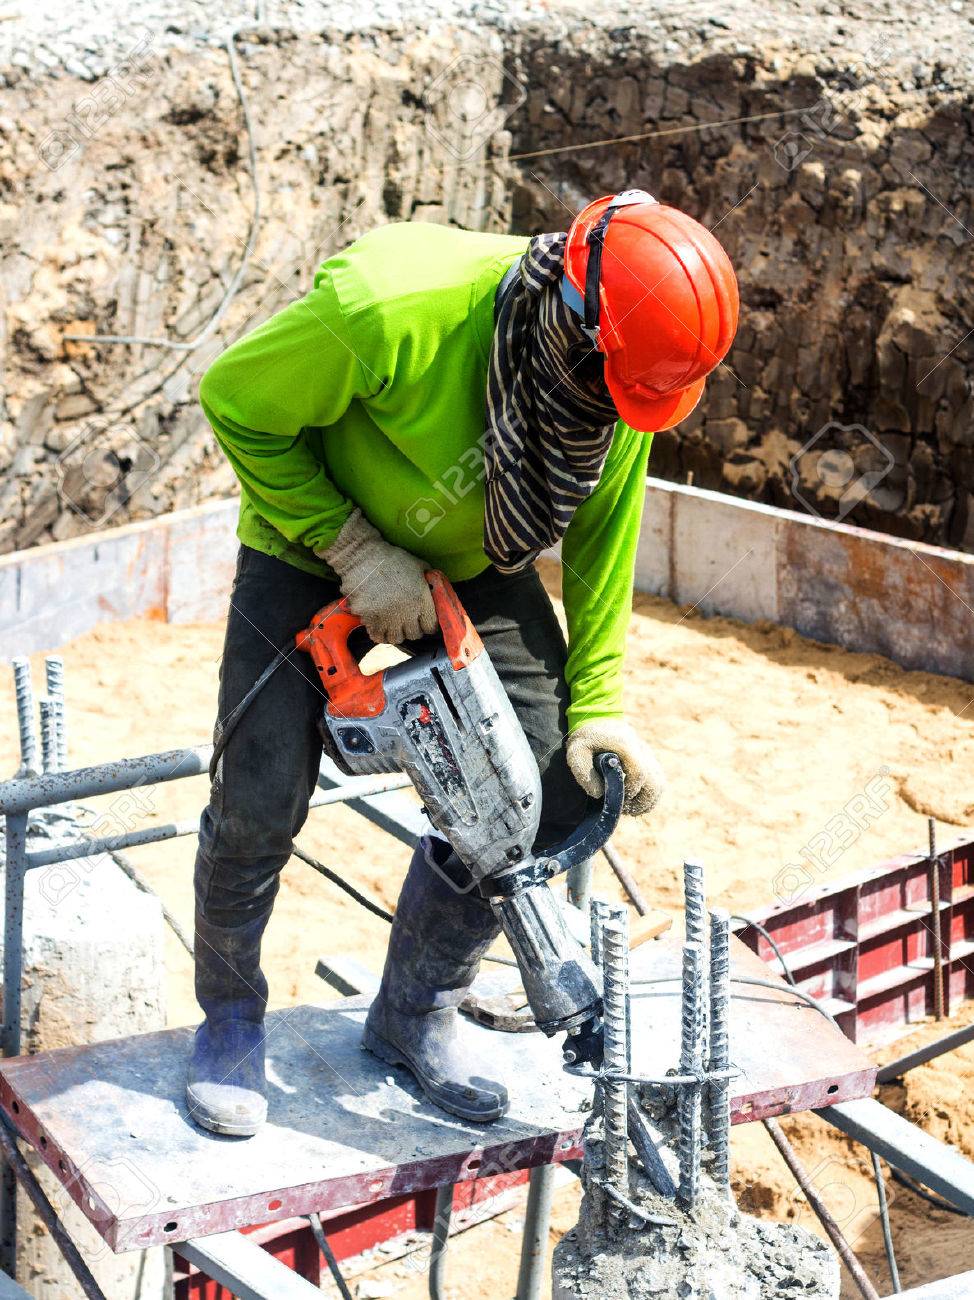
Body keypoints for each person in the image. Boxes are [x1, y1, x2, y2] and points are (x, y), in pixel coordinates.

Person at [187, 190, 739, 1136]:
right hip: (306, 536)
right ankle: (230, 1020)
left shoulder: (614, 391)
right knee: (260, 799)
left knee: (553, 792)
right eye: (616, 389)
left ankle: (414, 1015)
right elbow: (235, 401)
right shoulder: (391, 304)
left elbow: (605, 547)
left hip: (475, 557)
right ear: (574, 322)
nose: (619, 414)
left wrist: (600, 707)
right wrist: (352, 548)